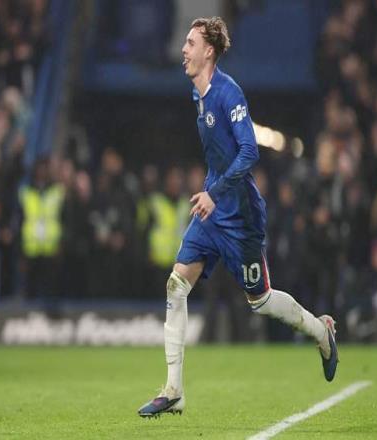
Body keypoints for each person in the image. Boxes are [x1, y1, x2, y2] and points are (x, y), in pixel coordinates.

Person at [138, 16, 338, 418]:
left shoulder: (229, 94)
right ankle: (173, 390)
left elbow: (250, 152)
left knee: (260, 301)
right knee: (176, 285)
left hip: (240, 216)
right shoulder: (197, 94)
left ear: (209, 51)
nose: (183, 50)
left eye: (190, 43)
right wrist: (211, 192)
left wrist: (214, 193)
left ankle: (322, 331)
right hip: (211, 211)